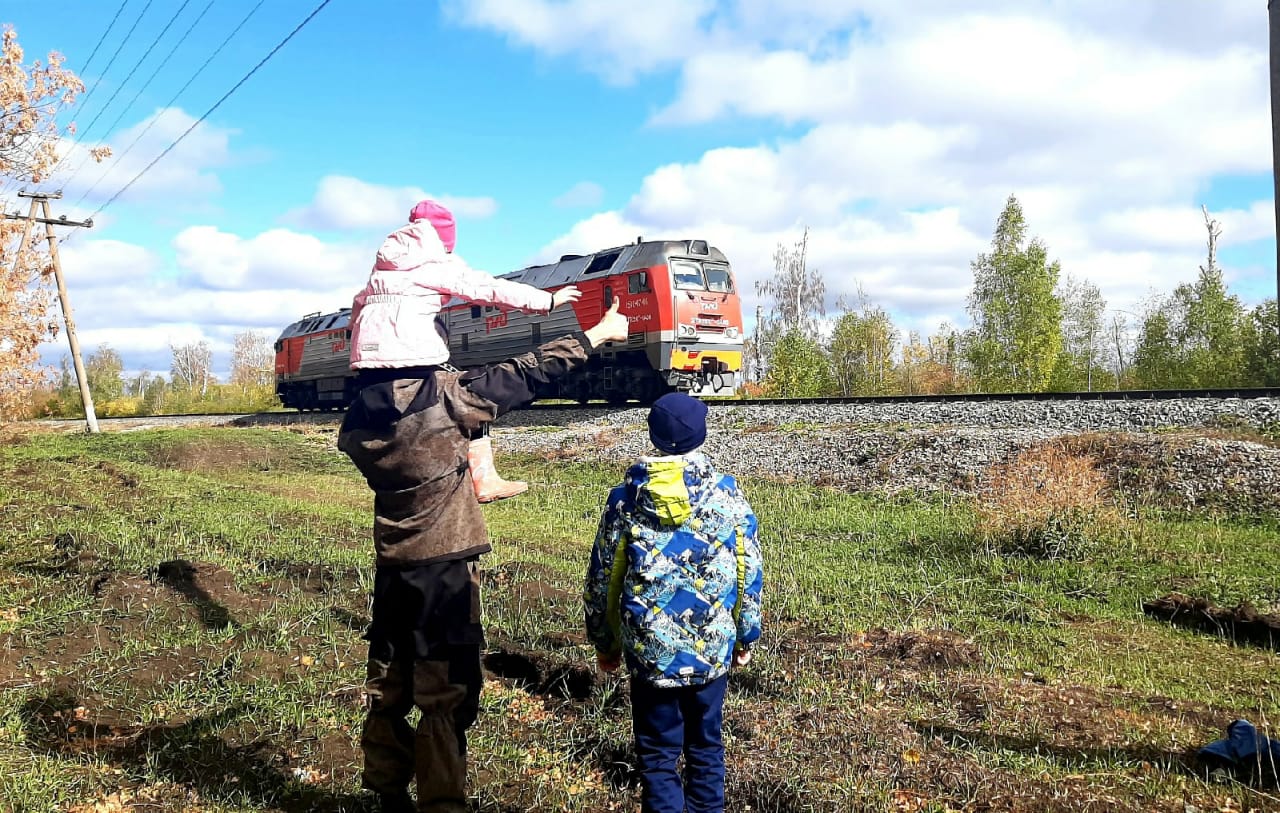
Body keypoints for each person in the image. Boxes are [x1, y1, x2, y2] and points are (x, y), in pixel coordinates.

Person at [340, 300, 630, 813]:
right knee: (445, 697)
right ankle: (442, 803)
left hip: (393, 568)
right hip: (447, 570)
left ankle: (385, 791)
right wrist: (596, 335)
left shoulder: (358, 419)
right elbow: (528, 372)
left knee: (387, 682)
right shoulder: (446, 400)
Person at [583, 393, 763, 813]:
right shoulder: (728, 497)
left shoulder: (625, 500)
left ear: (653, 436)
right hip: (712, 649)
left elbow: (603, 579)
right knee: (705, 746)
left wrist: (605, 642)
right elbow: (747, 573)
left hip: (650, 655)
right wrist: (746, 636)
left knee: (658, 755)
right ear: (702, 434)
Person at [348, 198, 579, 502]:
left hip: (368, 361)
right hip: (411, 354)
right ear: (445, 237)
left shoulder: (385, 265)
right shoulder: (435, 261)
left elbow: (359, 302)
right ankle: (485, 480)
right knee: (470, 401)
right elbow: (486, 287)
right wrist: (547, 301)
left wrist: (359, 337)